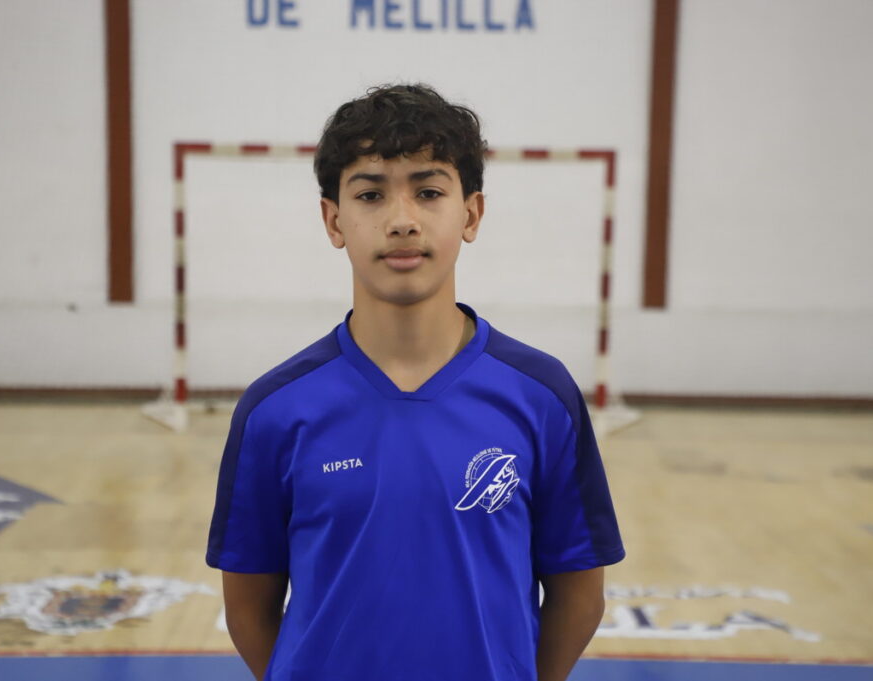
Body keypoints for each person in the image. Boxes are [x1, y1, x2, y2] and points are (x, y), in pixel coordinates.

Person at [206, 83, 625, 681]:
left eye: (428, 192)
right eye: (371, 194)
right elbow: (247, 606)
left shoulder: (541, 395)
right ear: (334, 220)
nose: (402, 220)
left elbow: (580, 594)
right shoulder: (275, 409)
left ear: (471, 213)